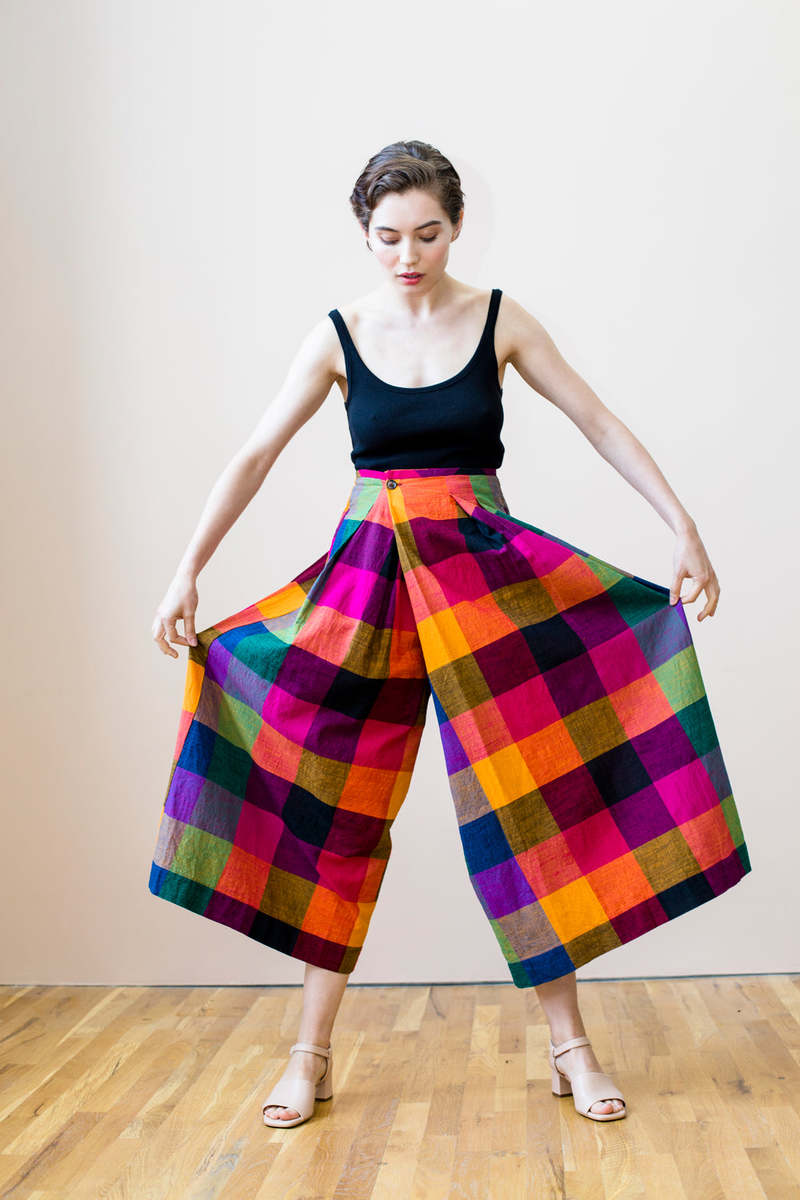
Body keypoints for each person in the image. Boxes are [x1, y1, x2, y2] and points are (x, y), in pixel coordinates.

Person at [148, 141, 751, 1129]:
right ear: (364, 234)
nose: (407, 255)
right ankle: (308, 1055)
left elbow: (597, 421)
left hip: (483, 577)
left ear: (456, 226)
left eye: (427, 234)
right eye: (388, 237)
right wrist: (186, 570)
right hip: (367, 580)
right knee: (334, 805)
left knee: (530, 799)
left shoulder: (500, 318)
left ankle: (570, 1049)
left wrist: (682, 527)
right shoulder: (339, 335)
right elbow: (256, 453)